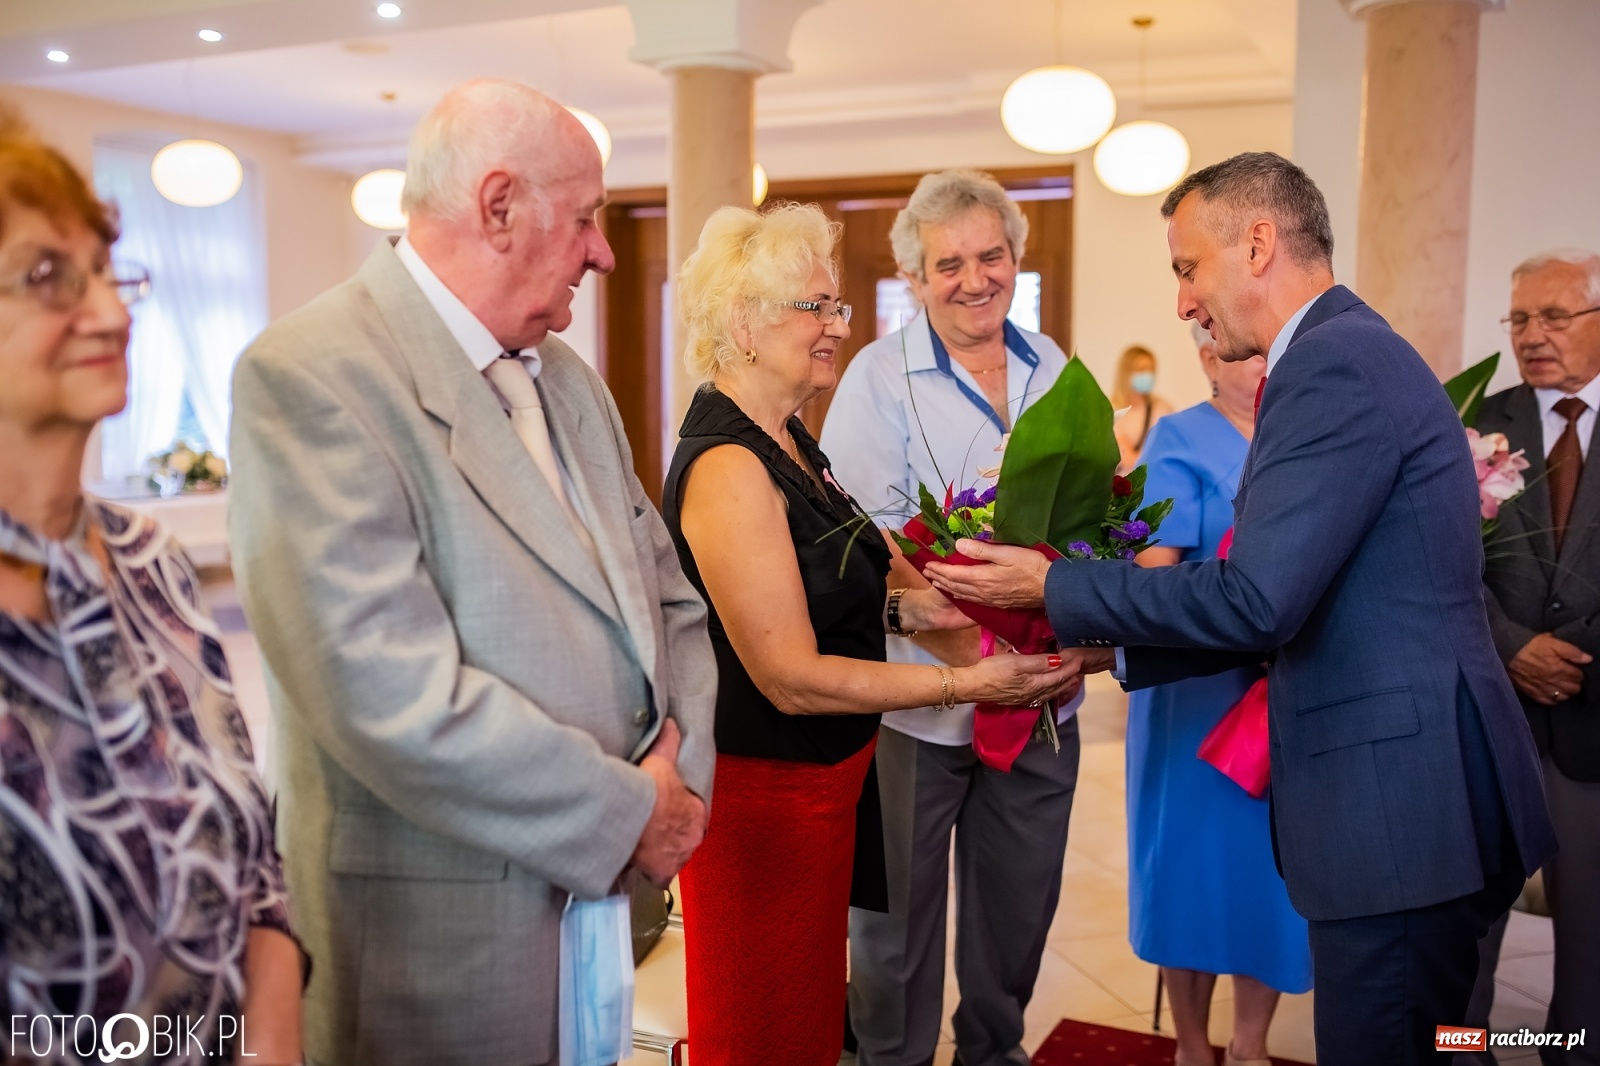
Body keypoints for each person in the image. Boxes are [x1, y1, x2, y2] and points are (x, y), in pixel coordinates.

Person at [923, 152, 1557, 1066]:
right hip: (1413, 795)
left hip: (1399, 807)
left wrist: (1051, 588)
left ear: (1258, 244)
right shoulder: (1342, 351)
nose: (1183, 301)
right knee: (1435, 1039)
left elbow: (1258, 597)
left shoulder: (1332, 364)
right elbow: (1296, 593)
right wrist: (1106, 654)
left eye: (1188, 268)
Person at [227, 79, 716, 1066]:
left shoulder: (570, 383)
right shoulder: (313, 373)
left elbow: (671, 599)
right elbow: (384, 692)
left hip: (599, 911)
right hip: (434, 937)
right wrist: (627, 812)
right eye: (584, 218)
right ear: (498, 207)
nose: (602, 252)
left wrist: (681, 783)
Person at [664, 201, 1082, 1066]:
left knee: (812, 1020)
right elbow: (789, 676)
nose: (838, 327)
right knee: (766, 1027)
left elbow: (837, 580)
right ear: (743, 325)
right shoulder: (729, 466)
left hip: (819, 791)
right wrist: (967, 682)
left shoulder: (789, 441)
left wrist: (913, 609)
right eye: (815, 307)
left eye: (837, 306)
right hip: (766, 803)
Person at [0, 112, 304, 1063]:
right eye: (48, 276)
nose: (111, 313)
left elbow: (257, 871)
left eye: (105, 272)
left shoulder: (149, 561)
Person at [819, 168, 1086, 1066]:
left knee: (1019, 907)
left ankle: (992, 1050)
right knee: (896, 927)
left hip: (1040, 695)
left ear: (1017, 257)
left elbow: (1084, 513)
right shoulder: (876, 377)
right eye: (949, 264)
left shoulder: (1052, 365)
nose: (975, 280)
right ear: (914, 276)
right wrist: (975, 653)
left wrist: (1051, 637)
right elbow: (869, 539)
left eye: (992, 256)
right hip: (920, 702)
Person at [1126, 320, 1307, 1066]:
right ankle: (1193, 1046)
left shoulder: (1302, 435)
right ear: (1208, 358)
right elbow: (1155, 574)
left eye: (1276, 353)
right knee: (1191, 873)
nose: (1268, 367)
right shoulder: (1178, 438)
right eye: (1254, 354)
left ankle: (1252, 1042)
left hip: (1283, 695)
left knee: (1270, 875)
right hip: (1195, 697)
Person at [1467, 249, 1600, 1065]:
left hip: (1594, 716)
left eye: (1554, 316)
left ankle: (1574, 1051)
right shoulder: (1474, 421)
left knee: (1591, 938)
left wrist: (1575, 653)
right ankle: (1461, 1051)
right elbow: (1439, 556)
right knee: (1468, 926)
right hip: (1493, 710)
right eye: (1519, 318)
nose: (1532, 335)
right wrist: (1513, 647)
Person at [1113, 344, 1175, 472]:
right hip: (1125, 482)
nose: (1148, 375)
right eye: (1141, 370)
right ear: (1126, 372)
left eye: (1151, 370)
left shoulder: (1162, 408)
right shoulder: (1112, 411)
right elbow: (1127, 459)